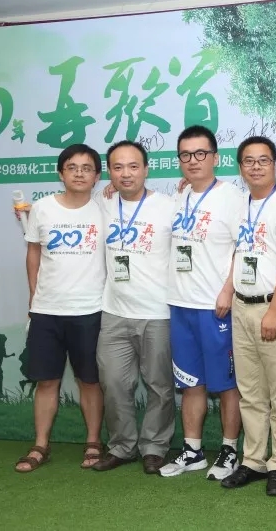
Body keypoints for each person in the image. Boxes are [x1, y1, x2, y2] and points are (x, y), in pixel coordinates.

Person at [158, 125, 243, 481]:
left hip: (216, 307)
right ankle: (192, 451)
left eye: (200, 154)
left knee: (226, 384)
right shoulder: (178, 196)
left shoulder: (232, 197)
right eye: (185, 155)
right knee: (190, 382)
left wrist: (229, 289)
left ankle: (229, 450)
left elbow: (244, 247)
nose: (193, 161)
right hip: (180, 304)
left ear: (215, 158)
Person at [15, 144, 106, 473]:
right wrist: (33, 296)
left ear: (97, 176)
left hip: (91, 310)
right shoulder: (42, 208)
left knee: (89, 381)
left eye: (86, 168)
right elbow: (33, 252)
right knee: (47, 381)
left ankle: (93, 441)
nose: (79, 173)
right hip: (47, 311)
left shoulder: (106, 208)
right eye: (72, 167)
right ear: (61, 173)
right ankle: (40, 445)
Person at [218, 136, 276, 496]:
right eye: (248, 161)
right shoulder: (240, 205)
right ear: (240, 167)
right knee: (250, 392)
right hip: (242, 306)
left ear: (274, 164)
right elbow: (239, 251)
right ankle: (253, 460)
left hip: (274, 307)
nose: (256, 167)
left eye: (263, 160)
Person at [91, 140, 177, 475]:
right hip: (113, 311)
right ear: (109, 172)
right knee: (113, 383)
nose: (125, 174)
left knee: (159, 386)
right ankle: (122, 446)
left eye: (133, 166)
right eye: (118, 167)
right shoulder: (101, 203)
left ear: (146, 169)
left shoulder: (169, 206)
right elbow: (68, 213)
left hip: (157, 312)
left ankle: (154, 447)